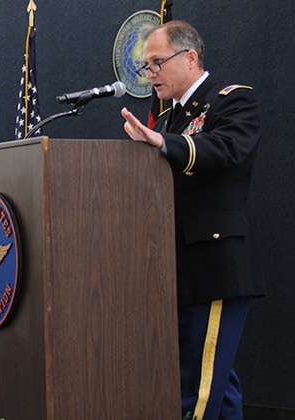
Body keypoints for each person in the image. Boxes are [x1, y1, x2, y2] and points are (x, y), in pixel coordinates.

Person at [121, 21, 263, 419]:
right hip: (182, 269)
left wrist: (164, 143)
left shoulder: (231, 101)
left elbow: (225, 148)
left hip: (214, 264)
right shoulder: (171, 120)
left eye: (156, 63)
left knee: (195, 394)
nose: (150, 74)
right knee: (218, 386)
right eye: (146, 67)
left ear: (190, 58)